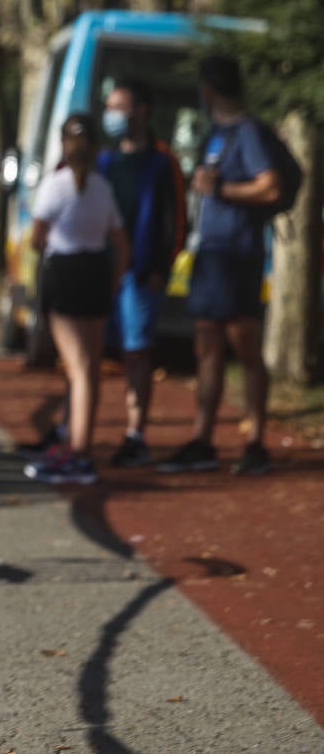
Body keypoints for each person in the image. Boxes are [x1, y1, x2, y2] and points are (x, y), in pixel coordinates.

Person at [158, 55, 276, 476]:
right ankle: (202, 438)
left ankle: (255, 441)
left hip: (237, 253)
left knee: (244, 344)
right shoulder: (216, 134)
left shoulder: (248, 133)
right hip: (209, 254)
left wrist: (222, 188)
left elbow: (270, 185)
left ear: (210, 89)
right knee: (205, 345)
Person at [21, 114, 129, 485]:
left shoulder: (56, 185)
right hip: (95, 273)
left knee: (79, 368)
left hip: (65, 273)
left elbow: (36, 239)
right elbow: (121, 243)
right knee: (88, 368)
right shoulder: (102, 187)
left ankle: (79, 452)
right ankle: (73, 442)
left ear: (65, 144)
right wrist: (112, 283)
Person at [100, 80, 187, 466]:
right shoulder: (104, 160)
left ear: (142, 111)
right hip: (101, 272)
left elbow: (178, 218)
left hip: (140, 274)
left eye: (120, 106)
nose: (113, 115)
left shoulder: (162, 161)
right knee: (89, 352)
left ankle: (136, 433)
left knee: (137, 352)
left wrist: (161, 265)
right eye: (110, 107)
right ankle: (73, 428)